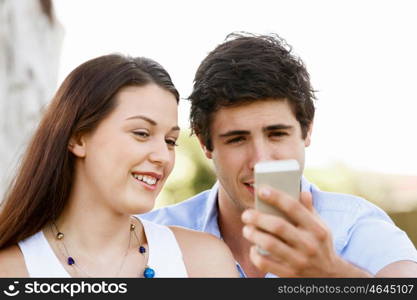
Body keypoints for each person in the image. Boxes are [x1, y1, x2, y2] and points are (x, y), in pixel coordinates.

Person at [141, 32, 417, 277]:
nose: (260, 160)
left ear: (306, 131)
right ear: (205, 144)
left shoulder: (356, 226)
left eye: (277, 134)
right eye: (237, 139)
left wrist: (331, 275)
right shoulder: (154, 235)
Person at [0, 54, 238, 278]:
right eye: (142, 133)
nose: (163, 157)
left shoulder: (203, 262)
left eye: (170, 141)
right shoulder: (11, 270)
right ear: (78, 138)